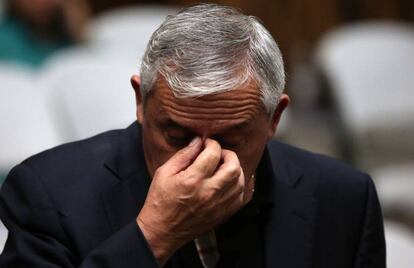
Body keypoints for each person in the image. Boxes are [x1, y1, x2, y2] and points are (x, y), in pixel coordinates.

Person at [0, 4, 385, 268]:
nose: (207, 158)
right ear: (140, 101)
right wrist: (153, 236)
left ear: (274, 117)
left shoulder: (344, 198)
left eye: (232, 139)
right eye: (177, 136)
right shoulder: (47, 192)